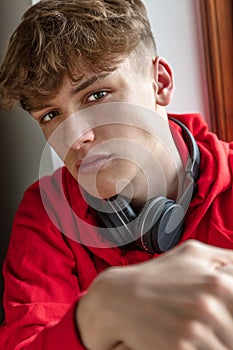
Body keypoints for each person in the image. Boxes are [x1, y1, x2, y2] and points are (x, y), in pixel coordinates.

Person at [1, 0, 233, 349]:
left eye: (97, 95)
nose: (75, 136)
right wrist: (99, 311)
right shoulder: (45, 213)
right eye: (51, 115)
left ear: (160, 82)